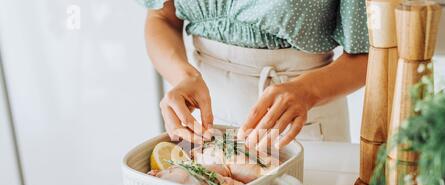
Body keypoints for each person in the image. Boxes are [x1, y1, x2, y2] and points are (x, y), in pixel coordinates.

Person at [139, 0, 368, 148]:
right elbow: (162, 17)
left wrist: (308, 91)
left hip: (301, 122)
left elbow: (369, 54)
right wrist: (182, 77)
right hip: (204, 123)